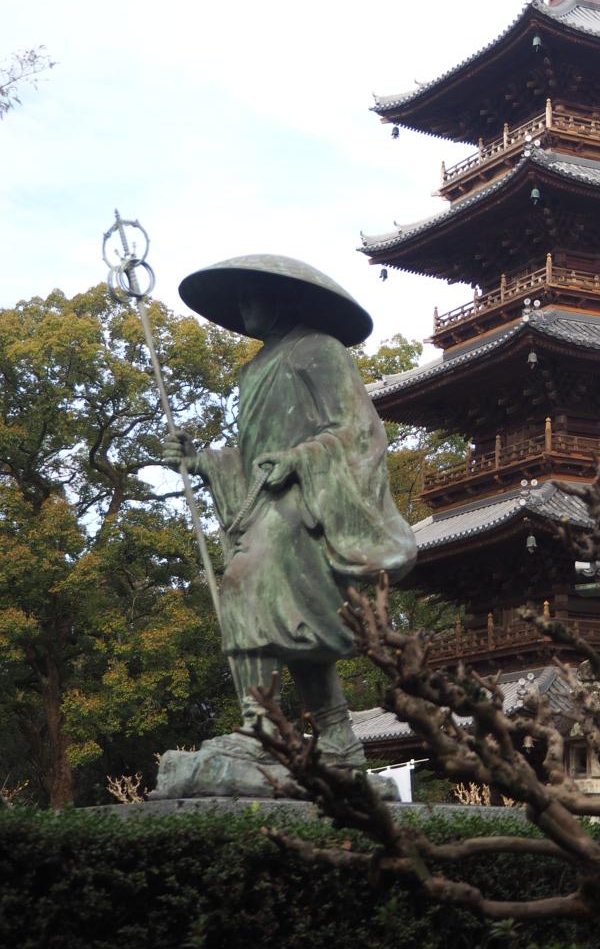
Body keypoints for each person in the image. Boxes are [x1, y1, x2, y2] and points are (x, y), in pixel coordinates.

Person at [162, 254, 416, 768]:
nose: (242, 305)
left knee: (246, 587)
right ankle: (339, 738)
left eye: (250, 294)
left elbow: (359, 430)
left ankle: (261, 726)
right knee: (294, 618)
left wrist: (301, 459)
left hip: (309, 499)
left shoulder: (320, 351)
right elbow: (253, 453)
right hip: (264, 501)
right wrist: (203, 461)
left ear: (281, 297)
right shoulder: (254, 369)